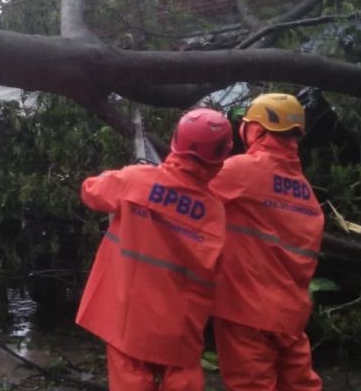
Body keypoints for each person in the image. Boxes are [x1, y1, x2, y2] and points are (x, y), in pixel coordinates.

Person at [76, 108, 233, 391]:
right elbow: (215, 270)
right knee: (184, 377)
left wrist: (124, 175)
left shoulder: (137, 180)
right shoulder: (214, 211)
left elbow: (90, 191)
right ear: (220, 158)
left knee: (131, 379)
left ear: (176, 142)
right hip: (179, 328)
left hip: (130, 319)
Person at [209, 93, 324, 390]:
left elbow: (185, 188)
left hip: (246, 312)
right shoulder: (304, 190)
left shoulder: (241, 171)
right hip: (290, 316)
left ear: (256, 129)